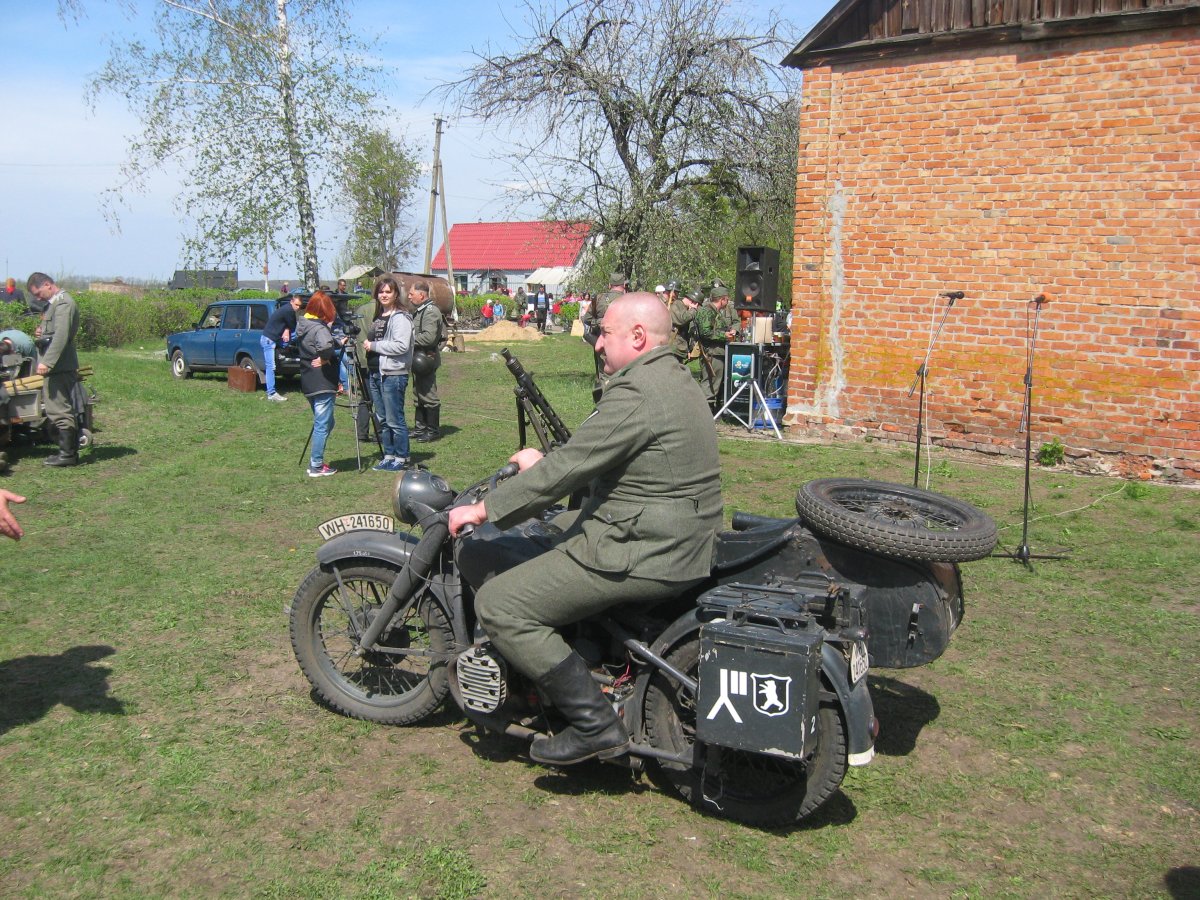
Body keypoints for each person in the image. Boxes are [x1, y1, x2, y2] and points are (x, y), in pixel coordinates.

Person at [448, 293, 722, 766]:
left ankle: (595, 726)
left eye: (605, 333)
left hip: (644, 546)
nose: (596, 343)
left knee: (500, 604)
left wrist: (486, 509)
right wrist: (546, 462)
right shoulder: (671, 377)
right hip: (672, 531)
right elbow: (605, 455)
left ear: (638, 337)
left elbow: (572, 465)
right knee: (551, 527)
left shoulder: (639, 392)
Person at [26, 273, 81, 467]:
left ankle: (67, 455)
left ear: (48, 284)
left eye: (38, 293)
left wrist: (47, 362)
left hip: (59, 366)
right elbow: (53, 332)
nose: (38, 297)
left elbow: (61, 336)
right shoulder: (54, 304)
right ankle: (66, 452)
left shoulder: (63, 303)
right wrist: (41, 332)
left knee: (59, 409)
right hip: (56, 366)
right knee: (55, 407)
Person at [361, 276, 413, 471]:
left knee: (394, 419)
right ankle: (389, 455)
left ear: (395, 294)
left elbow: (401, 345)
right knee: (382, 419)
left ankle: (402, 457)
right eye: (381, 292)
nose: (384, 295)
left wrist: (374, 346)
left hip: (393, 373)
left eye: (388, 292)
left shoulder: (400, 317)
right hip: (375, 373)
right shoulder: (379, 316)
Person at [294, 291, 343, 477]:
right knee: (323, 424)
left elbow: (318, 343)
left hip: (308, 379)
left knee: (327, 422)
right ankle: (316, 464)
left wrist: (336, 342)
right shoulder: (320, 328)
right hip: (322, 380)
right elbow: (324, 346)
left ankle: (316, 460)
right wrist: (325, 358)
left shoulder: (303, 324)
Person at [409, 281, 445, 443]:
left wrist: (406, 339)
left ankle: (432, 430)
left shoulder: (430, 312)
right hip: (418, 358)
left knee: (429, 395)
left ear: (421, 295)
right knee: (418, 394)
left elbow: (429, 338)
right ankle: (420, 428)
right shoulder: (421, 310)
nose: (409, 297)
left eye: (412, 294)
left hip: (426, 359)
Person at [695, 284, 739, 411]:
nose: (728, 301)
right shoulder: (706, 311)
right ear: (722, 299)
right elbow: (705, 333)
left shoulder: (715, 312)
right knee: (709, 383)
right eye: (727, 299)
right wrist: (724, 335)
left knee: (714, 383)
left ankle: (710, 410)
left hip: (717, 352)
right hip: (711, 353)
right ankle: (704, 412)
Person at [261, 293, 301, 402]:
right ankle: (271, 393)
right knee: (271, 366)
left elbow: (288, 325)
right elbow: (293, 326)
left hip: (274, 339)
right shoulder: (289, 310)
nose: (297, 307)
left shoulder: (286, 309)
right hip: (269, 340)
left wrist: (286, 330)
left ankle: (286, 348)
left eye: (299, 306)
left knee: (293, 335)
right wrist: (288, 330)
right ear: (291, 302)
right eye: (296, 305)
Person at [669, 288, 702, 364]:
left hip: (679, 347)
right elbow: (681, 320)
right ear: (693, 302)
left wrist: (688, 350)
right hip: (673, 347)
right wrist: (693, 310)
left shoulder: (686, 308)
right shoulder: (676, 304)